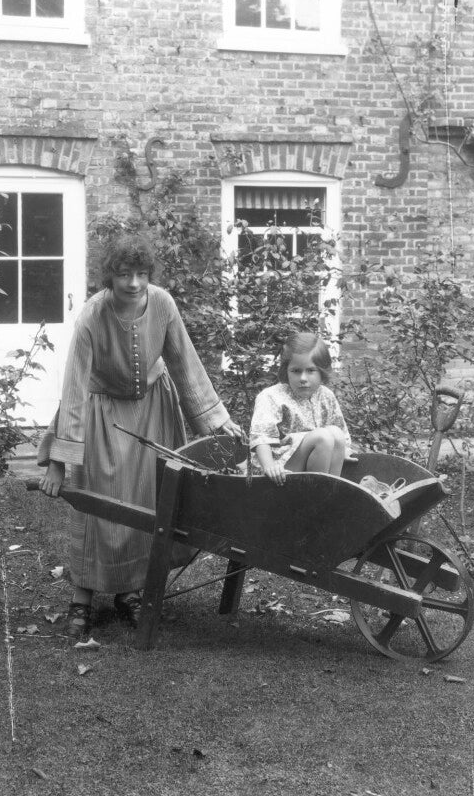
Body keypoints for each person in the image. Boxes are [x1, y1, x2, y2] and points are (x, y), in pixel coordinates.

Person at [38, 232, 241, 638]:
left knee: (146, 500)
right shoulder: (93, 316)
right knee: (97, 500)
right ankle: (82, 597)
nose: (133, 283)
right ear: (109, 276)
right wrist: (60, 462)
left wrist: (217, 422)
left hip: (152, 409)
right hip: (101, 412)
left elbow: (185, 363)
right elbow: (75, 389)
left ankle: (129, 592)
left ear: (151, 274)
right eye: (124, 274)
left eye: (142, 274)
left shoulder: (163, 303)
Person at [248, 332, 352, 485]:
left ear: (322, 372)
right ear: (286, 371)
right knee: (322, 437)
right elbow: (260, 437)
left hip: (317, 462)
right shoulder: (271, 396)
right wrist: (269, 467)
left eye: (310, 370)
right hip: (278, 470)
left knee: (336, 434)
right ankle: (312, 495)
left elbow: (340, 431)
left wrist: (343, 450)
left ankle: (330, 490)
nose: (303, 378)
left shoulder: (326, 395)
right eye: (296, 371)